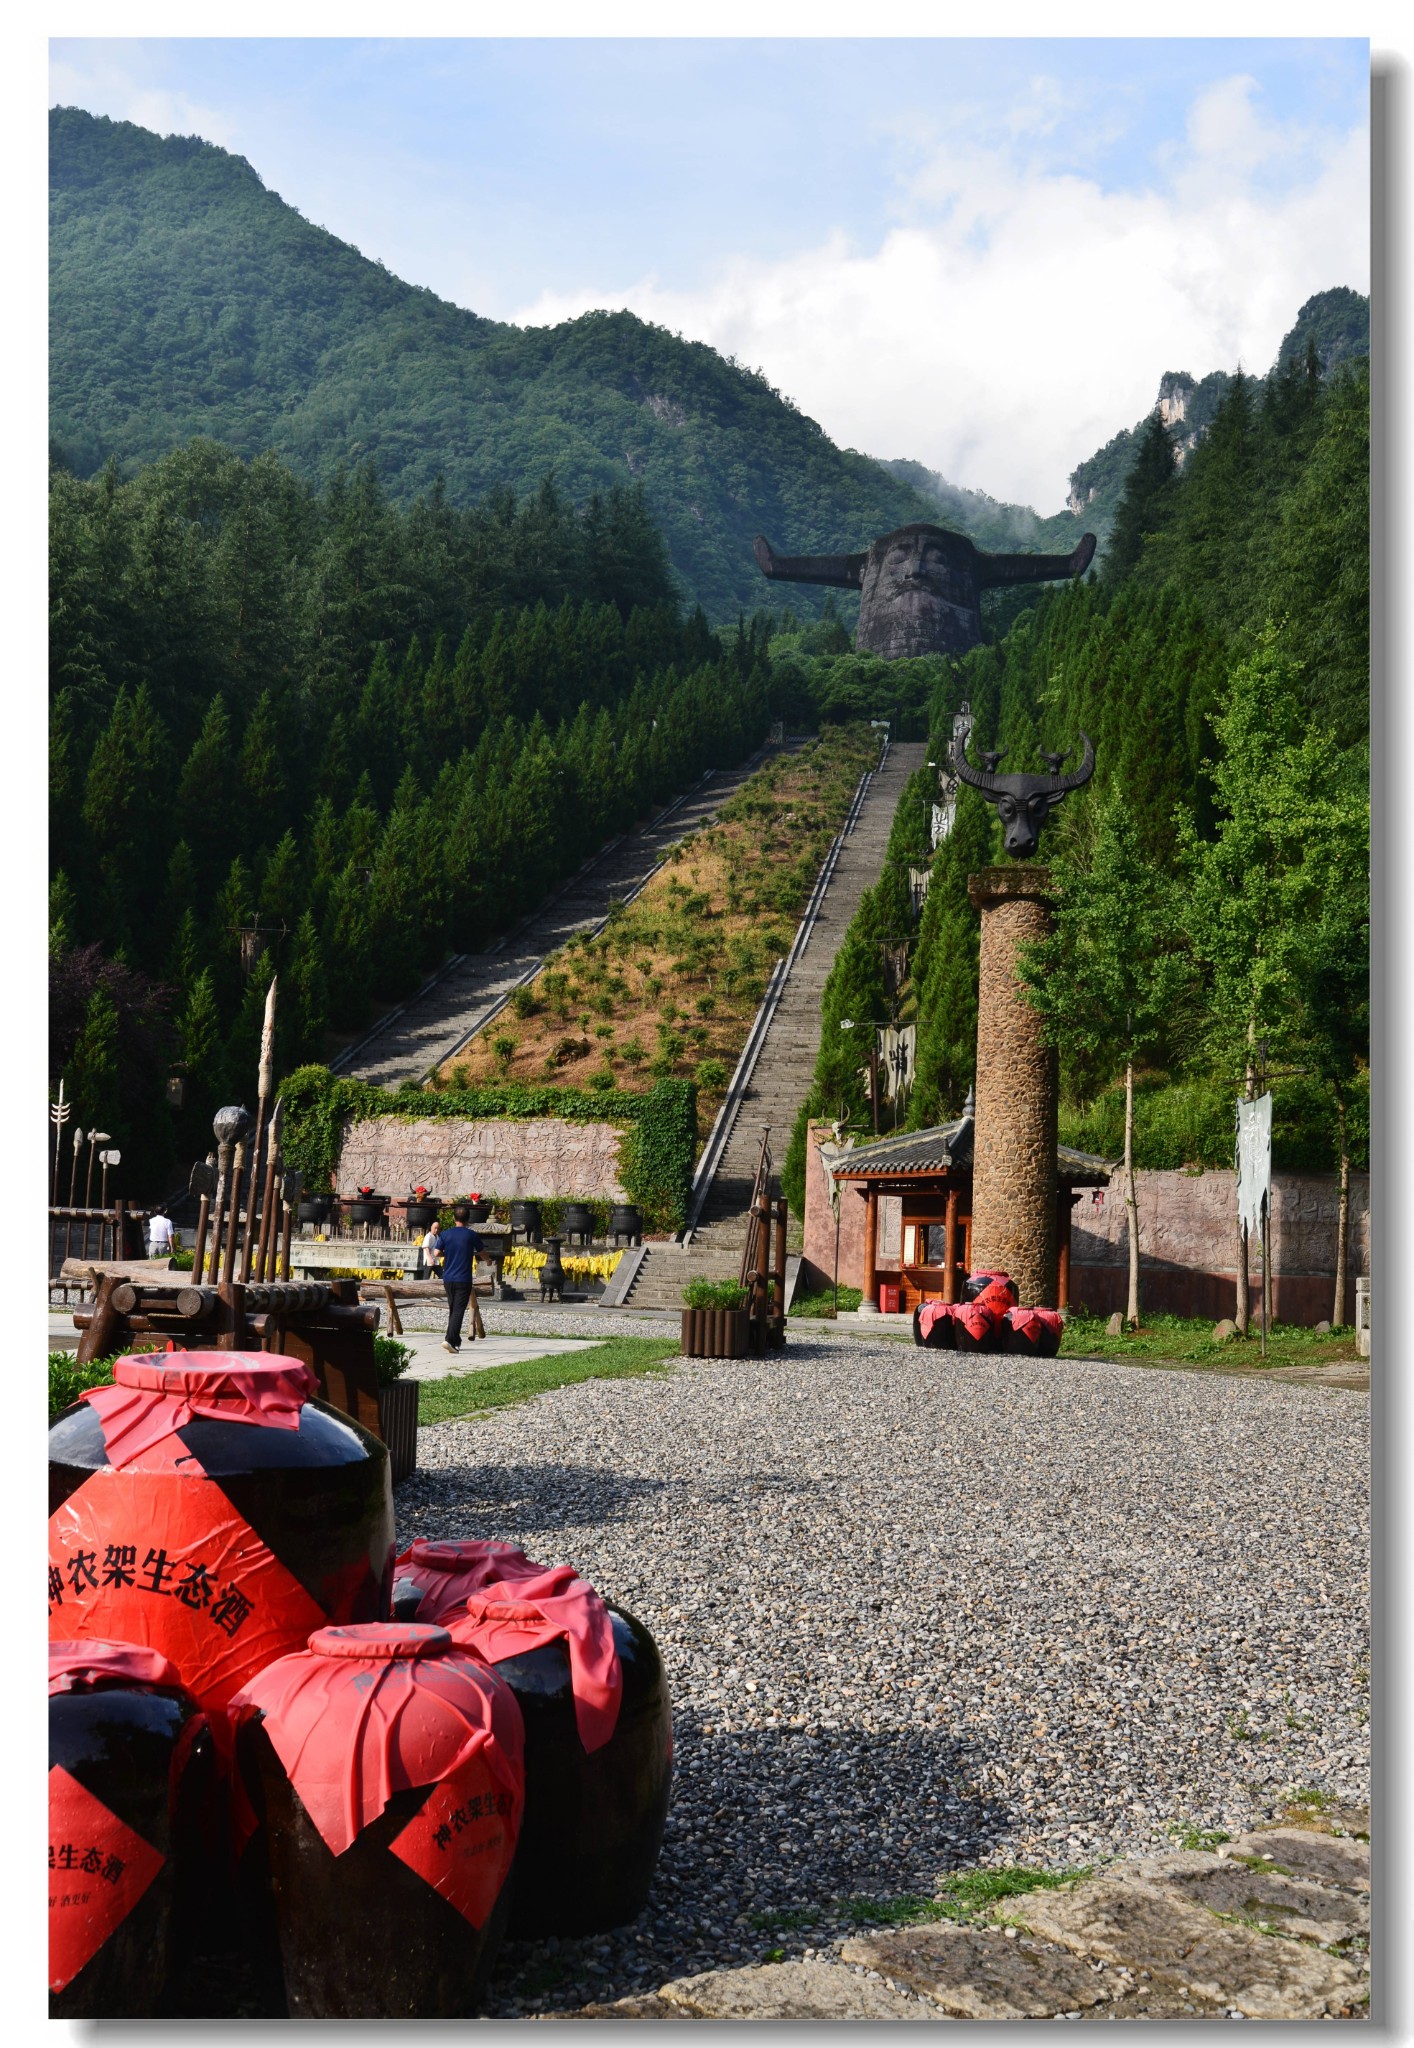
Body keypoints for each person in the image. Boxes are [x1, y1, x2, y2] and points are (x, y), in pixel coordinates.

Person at [438, 1204, 484, 1354]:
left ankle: (455, 1341)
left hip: (448, 1278)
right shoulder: (471, 1235)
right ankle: (449, 1340)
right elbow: (482, 1251)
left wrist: (449, 1254)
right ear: (468, 1219)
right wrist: (488, 1260)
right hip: (463, 1278)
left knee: (453, 1308)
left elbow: (437, 1252)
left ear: (454, 1218)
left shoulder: (445, 1234)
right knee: (458, 1310)